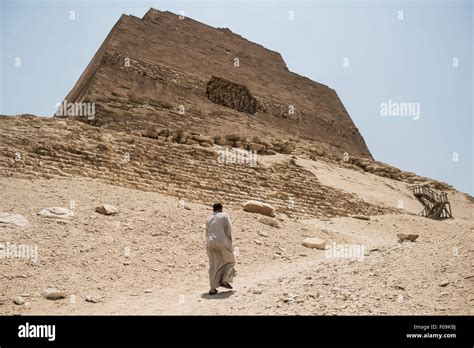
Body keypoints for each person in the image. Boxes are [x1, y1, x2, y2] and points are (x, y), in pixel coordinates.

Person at [205, 203, 236, 295]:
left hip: (210, 242)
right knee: (230, 261)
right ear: (220, 209)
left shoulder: (209, 218)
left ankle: (213, 288)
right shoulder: (225, 216)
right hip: (222, 241)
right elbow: (228, 229)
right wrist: (229, 243)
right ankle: (225, 280)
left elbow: (206, 232)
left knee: (213, 265)